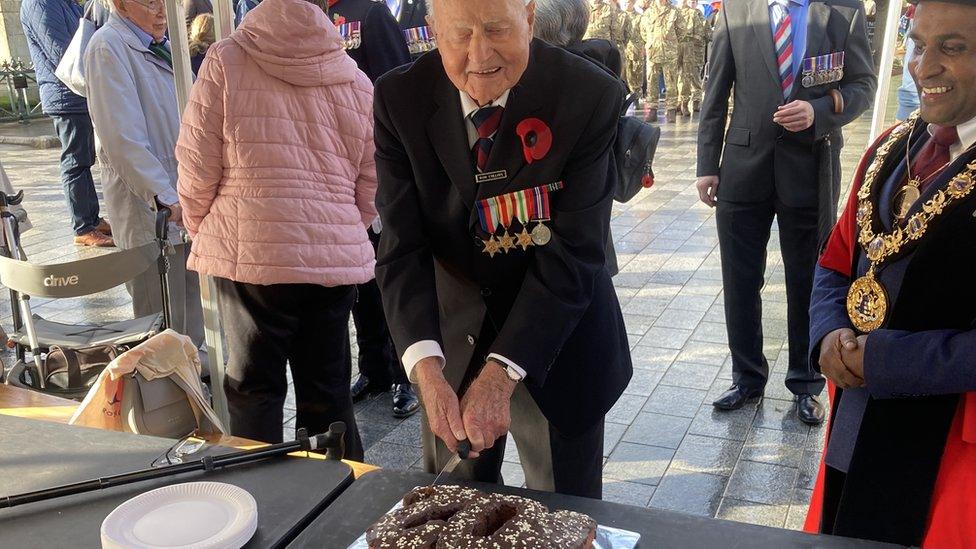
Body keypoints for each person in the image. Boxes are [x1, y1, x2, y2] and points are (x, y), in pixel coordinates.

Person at [373, 0, 631, 498]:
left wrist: (502, 372)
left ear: (529, 19)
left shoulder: (588, 95)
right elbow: (401, 247)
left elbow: (576, 252)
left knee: (564, 513)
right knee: (453, 510)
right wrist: (425, 369)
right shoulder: (399, 98)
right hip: (452, 342)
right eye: (460, 34)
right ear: (432, 30)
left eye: (496, 29)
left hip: (559, 340)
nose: (479, 54)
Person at [804, 0, 976, 544]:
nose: (923, 67)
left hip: (950, 458)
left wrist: (884, 360)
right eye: (918, 43)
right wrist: (828, 334)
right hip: (856, 428)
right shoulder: (889, 147)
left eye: (953, 47)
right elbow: (835, 262)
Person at [175, 0, 375, 456]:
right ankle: (336, 498)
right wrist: (342, 229)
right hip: (331, 259)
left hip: (253, 256)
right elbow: (371, 180)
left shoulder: (225, 60)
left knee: (253, 391)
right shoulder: (355, 78)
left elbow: (195, 160)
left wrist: (202, 224)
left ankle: (261, 503)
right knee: (328, 389)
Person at [696, 0, 876, 425]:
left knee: (808, 281)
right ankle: (747, 377)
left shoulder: (841, 12)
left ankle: (807, 382)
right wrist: (706, 165)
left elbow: (863, 85)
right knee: (740, 281)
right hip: (743, 167)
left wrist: (820, 109)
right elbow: (716, 90)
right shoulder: (738, 10)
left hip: (810, 169)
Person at [84, 0, 205, 363]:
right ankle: (164, 406)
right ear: (120, 3)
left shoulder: (166, 46)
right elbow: (122, 140)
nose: (162, 11)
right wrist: (167, 199)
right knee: (160, 321)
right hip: (152, 209)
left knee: (194, 315)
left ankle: (195, 392)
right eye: (151, 2)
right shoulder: (108, 47)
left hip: (185, 199)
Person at [328, 0, 418, 419]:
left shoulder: (370, 12)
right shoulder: (315, 13)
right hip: (336, 172)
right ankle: (374, 369)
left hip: (376, 165)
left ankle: (405, 374)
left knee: (389, 272)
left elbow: (395, 86)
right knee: (360, 278)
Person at [20, 0, 113, 247]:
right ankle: (83, 227)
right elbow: (60, 52)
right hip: (65, 95)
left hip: (79, 93)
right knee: (75, 161)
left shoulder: (65, 3)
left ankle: (92, 219)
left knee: (85, 159)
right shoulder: (39, 3)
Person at [640, 0, 680, 122]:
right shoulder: (648, 12)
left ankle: (671, 110)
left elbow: (681, 32)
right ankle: (652, 110)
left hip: (669, 53)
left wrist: (670, 43)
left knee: (671, 81)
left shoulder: (674, 11)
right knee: (651, 80)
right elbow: (643, 32)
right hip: (653, 52)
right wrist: (653, 42)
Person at [675, 0, 709, 116]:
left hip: (696, 52)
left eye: (694, 1)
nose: (692, 3)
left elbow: (706, 34)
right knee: (681, 76)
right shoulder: (678, 13)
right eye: (690, 1)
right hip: (681, 51)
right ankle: (680, 101)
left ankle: (696, 101)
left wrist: (696, 39)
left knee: (695, 77)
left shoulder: (700, 17)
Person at [622, 0, 646, 100]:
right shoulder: (621, 16)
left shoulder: (639, 17)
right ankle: (627, 97)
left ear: (632, 2)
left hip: (637, 50)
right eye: (625, 2)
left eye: (628, 2)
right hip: (624, 49)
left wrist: (644, 47)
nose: (626, 4)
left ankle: (636, 97)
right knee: (625, 75)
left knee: (637, 74)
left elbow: (644, 33)